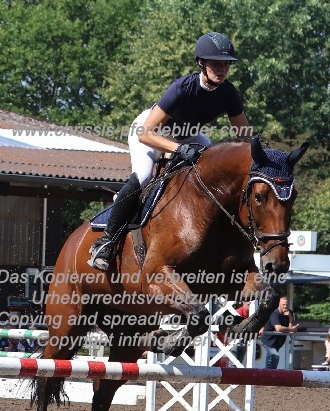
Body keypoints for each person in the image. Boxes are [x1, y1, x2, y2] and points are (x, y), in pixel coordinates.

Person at [88, 32, 252, 271]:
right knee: (143, 177)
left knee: (212, 167)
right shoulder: (182, 88)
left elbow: (245, 137)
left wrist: (261, 155)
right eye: (216, 63)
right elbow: (146, 133)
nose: (222, 69)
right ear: (201, 63)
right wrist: (177, 149)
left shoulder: (228, 93)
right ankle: (106, 242)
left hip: (188, 135)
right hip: (151, 132)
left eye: (226, 64)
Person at [260, 296, 298, 369]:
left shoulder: (290, 313)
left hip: (277, 342)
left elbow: (291, 327)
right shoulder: (275, 314)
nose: (285, 306)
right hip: (268, 340)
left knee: (272, 360)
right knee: (274, 357)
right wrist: (292, 329)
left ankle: (269, 376)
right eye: (283, 304)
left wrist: (290, 317)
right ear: (279, 304)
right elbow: (278, 328)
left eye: (287, 305)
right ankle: (268, 376)